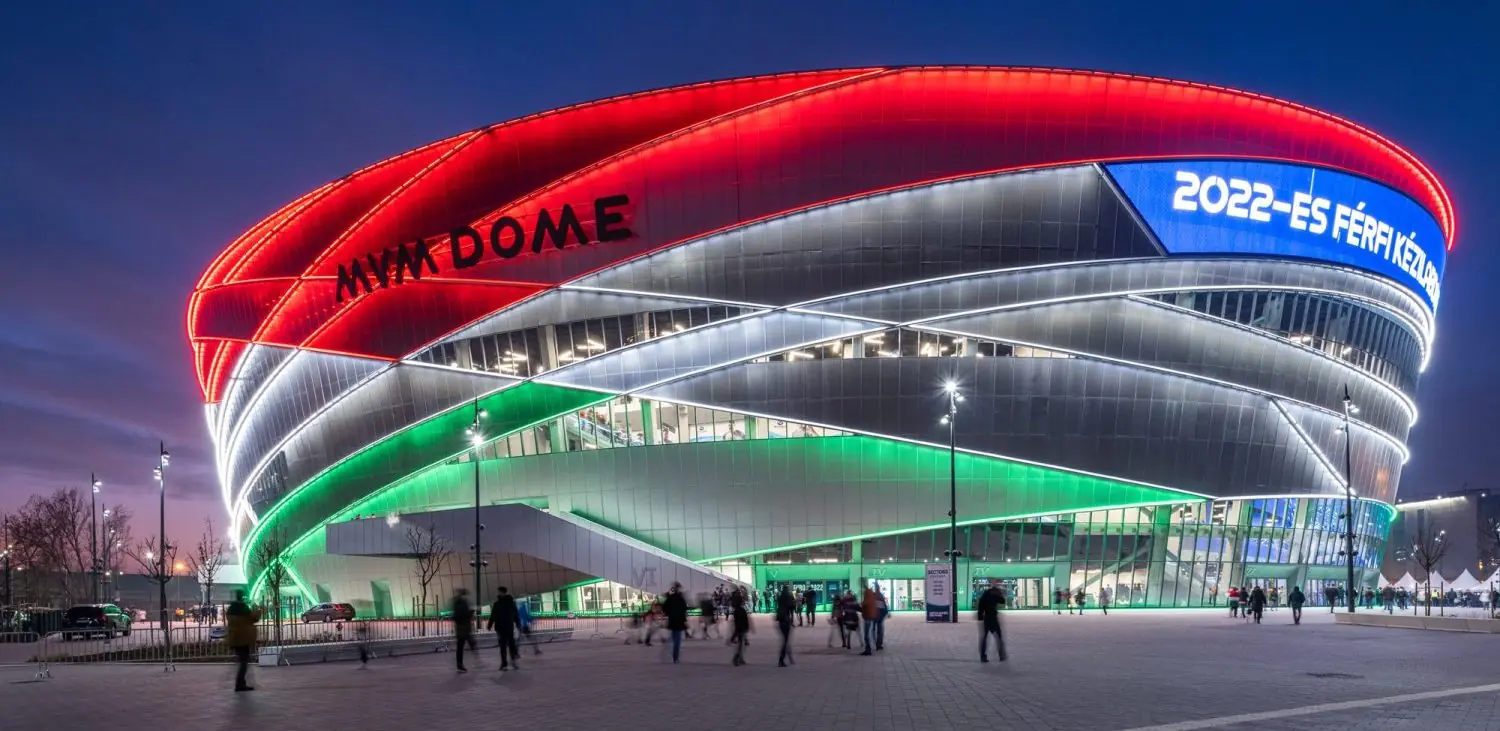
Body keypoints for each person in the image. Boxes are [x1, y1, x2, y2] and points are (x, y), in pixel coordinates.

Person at [225, 590, 262, 692]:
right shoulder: (243, 608)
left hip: (235, 638)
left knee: (242, 661)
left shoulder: (231, 609)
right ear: (242, 597)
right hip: (243, 638)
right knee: (244, 662)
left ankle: (241, 683)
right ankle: (240, 684)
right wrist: (258, 610)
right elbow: (253, 618)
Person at [486, 586, 520, 671]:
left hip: (502, 627)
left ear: (502, 592)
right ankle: (509, 662)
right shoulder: (510, 603)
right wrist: (518, 624)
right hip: (507, 627)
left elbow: (493, 615)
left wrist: (489, 625)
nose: (498, 593)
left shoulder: (499, 604)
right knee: (508, 646)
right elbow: (515, 615)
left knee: (504, 646)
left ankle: (506, 664)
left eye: (499, 592)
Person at [976, 583, 1006, 663]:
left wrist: (980, 617)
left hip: (986, 619)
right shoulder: (994, 595)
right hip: (993, 618)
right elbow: (1003, 601)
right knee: (999, 637)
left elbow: (980, 606)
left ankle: (983, 656)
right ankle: (1001, 655)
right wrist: (1000, 594)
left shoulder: (985, 595)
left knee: (984, 638)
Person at [661, 582, 689, 664]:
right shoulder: (681, 598)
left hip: (672, 620)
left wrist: (668, 613)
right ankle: (675, 657)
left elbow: (664, 608)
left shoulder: (670, 598)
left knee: (674, 637)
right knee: (677, 639)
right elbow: (684, 609)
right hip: (679, 620)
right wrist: (685, 619)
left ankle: (670, 649)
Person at [451, 588, 477, 673]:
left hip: (461, 628)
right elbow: (463, 614)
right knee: (465, 644)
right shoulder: (461, 603)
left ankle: (460, 663)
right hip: (464, 627)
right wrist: (470, 613)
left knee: (461, 646)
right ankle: (461, 663)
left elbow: (456, 615)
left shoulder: (457, 602)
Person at [775, 586, 796, 667]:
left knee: (785, 639)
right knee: (785, 640)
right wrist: (792, 621)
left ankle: (789, 658)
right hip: (786, 620)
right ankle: (781, 659)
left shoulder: (780, 597)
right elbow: (792, 609)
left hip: (780, 619)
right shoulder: (788, 597)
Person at [729, 590, 750, 666]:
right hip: (741, 629)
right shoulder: (742, 610)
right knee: (740, 645)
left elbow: (736, 622)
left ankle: (740, 659)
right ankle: (737, 658)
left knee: (740, 645)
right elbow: (745, 620)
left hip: (738, 628)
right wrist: (747, 628)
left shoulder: (736, 611)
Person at [859, 581, 878, 656]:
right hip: (871, 616)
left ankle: (868, 650)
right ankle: (870, 648)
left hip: (868, 616)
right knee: (869, 633)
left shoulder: (867, 594)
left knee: (866, 635)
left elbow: (865, 604)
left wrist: (862, 604)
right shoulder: (871, 594)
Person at [873, 585, 888, 650]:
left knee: (873, 630)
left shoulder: (873, 596)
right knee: (880, 631)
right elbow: (884, 608)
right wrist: (883, 615)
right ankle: (878, 645)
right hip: (879, 616)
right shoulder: (881, 596)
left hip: (873, 616)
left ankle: (874, 644)